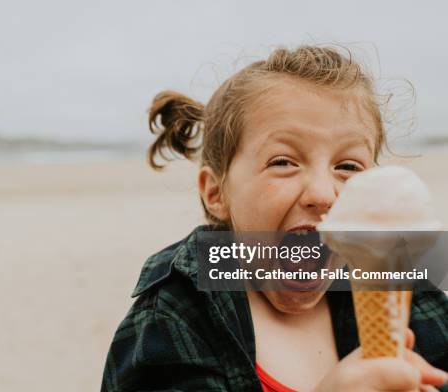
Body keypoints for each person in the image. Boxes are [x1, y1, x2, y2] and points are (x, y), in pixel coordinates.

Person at [101, 45, 448, 391]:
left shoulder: (399, 285)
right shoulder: (173, 317)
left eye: (347, 166)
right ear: (216, 193)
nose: (322, 194)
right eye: (283, 162)